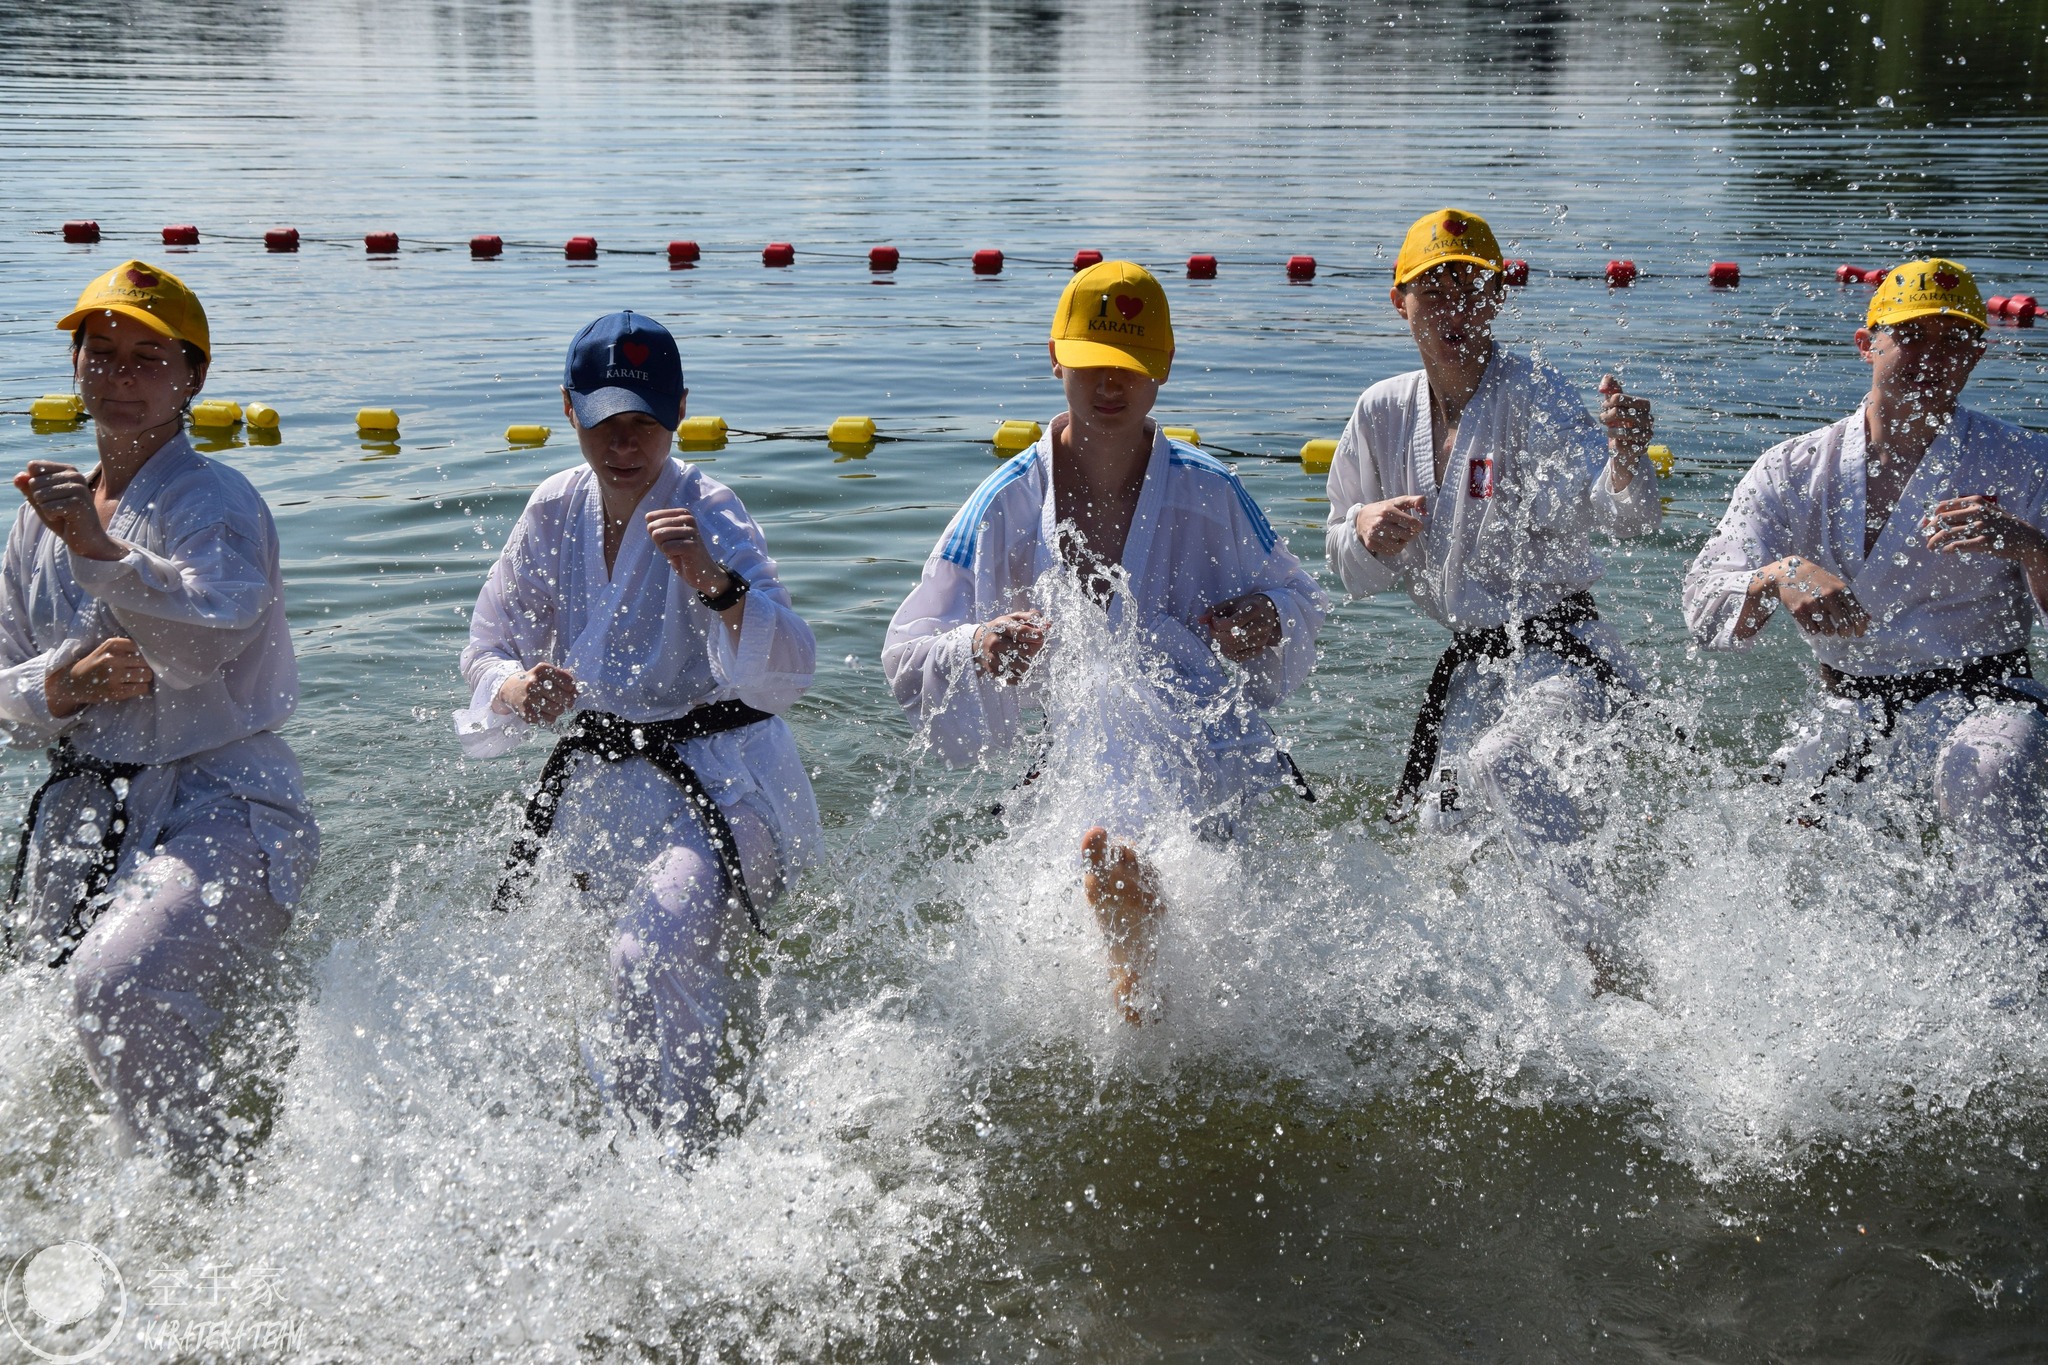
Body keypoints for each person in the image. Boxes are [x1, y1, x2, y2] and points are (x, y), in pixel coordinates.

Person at [883, 260, 1326, 1024]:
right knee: (1102, 761)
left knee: (1155, 797)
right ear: (1056, 357)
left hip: (1204, 749)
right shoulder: (1005, 503)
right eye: (1091, 365)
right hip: (1075, 752)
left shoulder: (1210, 489)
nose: (1108, 386)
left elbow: (1305, 602)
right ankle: (1129, 910)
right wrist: (978, 646)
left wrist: (1269, 620)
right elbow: (908, 647)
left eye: (1126, 368)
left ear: (1161, 369)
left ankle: (1129, 913)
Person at [456, 310, 821, 1137]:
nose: (625, 445)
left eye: (646, 423)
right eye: (605, 422)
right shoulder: (551, 509)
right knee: (616, 976)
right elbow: (483, 651)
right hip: (605, 786)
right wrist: (521, 691)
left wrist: (713, 580)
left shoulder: (710, 510)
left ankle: (689, 1153)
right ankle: (632, 1154)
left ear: (680, 411)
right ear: (568, 408)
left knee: (645, 954)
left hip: (724, 784)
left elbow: (792, 670)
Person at [0, 260, 319, 1163]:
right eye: (101, 355)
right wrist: (63, 685)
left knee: (116, 989)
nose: (121, 377)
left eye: (149, 357)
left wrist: (99, 551)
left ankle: (198, 1199)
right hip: (86, 807)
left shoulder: (213, 500)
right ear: (75, 369)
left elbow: (207, 633)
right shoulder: (37, 520)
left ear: (195, 377)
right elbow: (4, 681)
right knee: (40, 1026)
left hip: (225, 805)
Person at [1322, 208, 1659, 978]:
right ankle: (1514, 996)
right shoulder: (1379, 414)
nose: (1456, 310)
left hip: (1567, 660)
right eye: (1434, 291)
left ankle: (1613, 967)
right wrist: (1367, 528)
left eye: (1473, 289)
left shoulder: (1535, 394)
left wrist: (1627, 459)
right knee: (1445, 837)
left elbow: (1621, 515)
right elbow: (1342, 556)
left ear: (1497, 299)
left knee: (1505, 761)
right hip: (1476, 667)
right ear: (1398, 300)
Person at [1683, 258, 2048, 877]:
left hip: (1989, 701)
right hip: (1847, 710)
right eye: (1912, 335)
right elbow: (1702, 597)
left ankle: (2010, 966)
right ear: (1866, 344)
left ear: (1978, 354)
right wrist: (1777, 575)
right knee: (1757, 847)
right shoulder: (1792, 468)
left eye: (1956, 338)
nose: (1936, 354)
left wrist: (2033, 549)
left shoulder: (2025, 459)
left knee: (1988, 771)